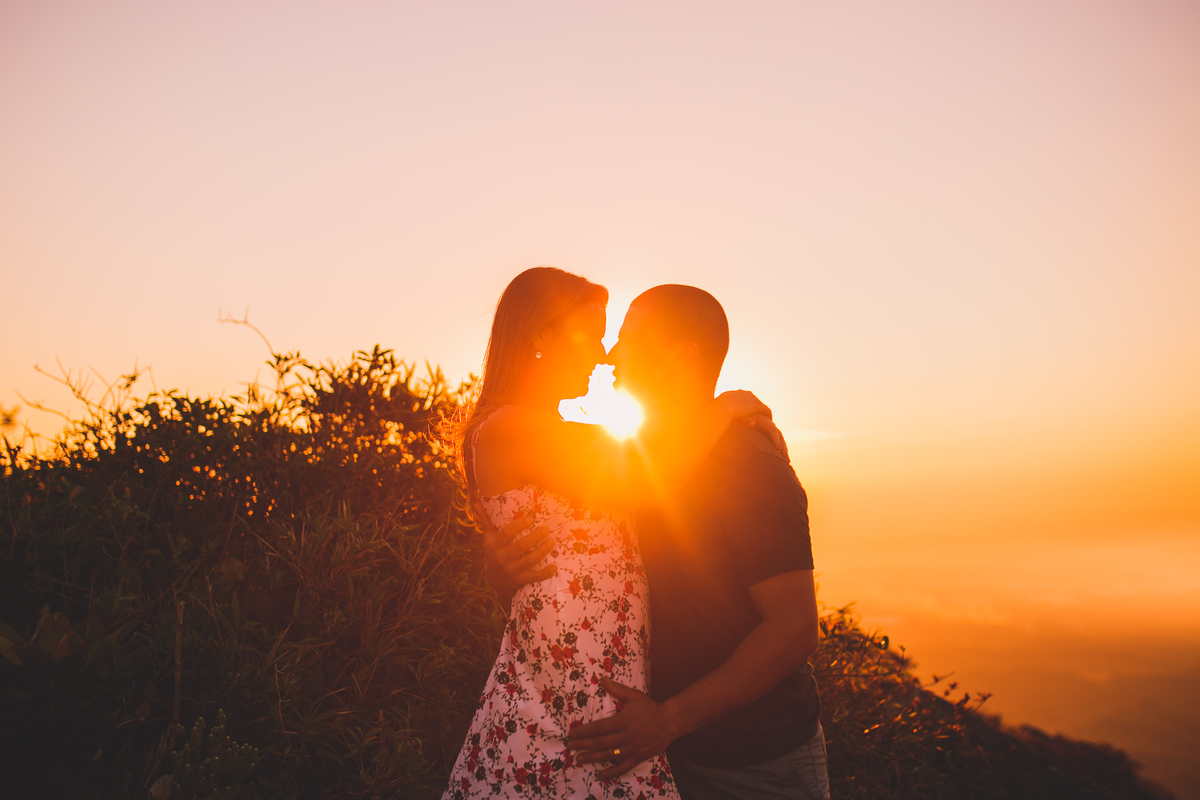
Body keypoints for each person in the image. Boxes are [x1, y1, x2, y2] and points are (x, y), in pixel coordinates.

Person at [442, 268, 784, 800]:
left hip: (594, 662)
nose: (604, 357)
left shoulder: (554, 432)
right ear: (540, 338)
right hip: (570, 674)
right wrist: (725, 406)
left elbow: (647, 455)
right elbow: (649, 480)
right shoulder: (513, 426)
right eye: (593, 337)